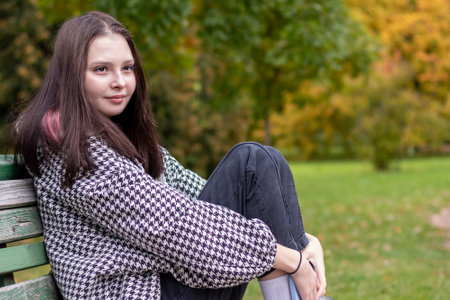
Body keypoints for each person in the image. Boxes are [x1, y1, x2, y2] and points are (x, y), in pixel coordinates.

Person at [11, 11, 326, 300]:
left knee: (261, 162)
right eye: (101, 69)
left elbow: (206, 193)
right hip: (135, 293)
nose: (119, 82)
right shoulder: (71, 149)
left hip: (164, 283)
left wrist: (301, 240)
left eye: (128, 68)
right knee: (251, 162)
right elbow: (177, 226)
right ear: (71, 76)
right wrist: (291, 258)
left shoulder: (116, 137)